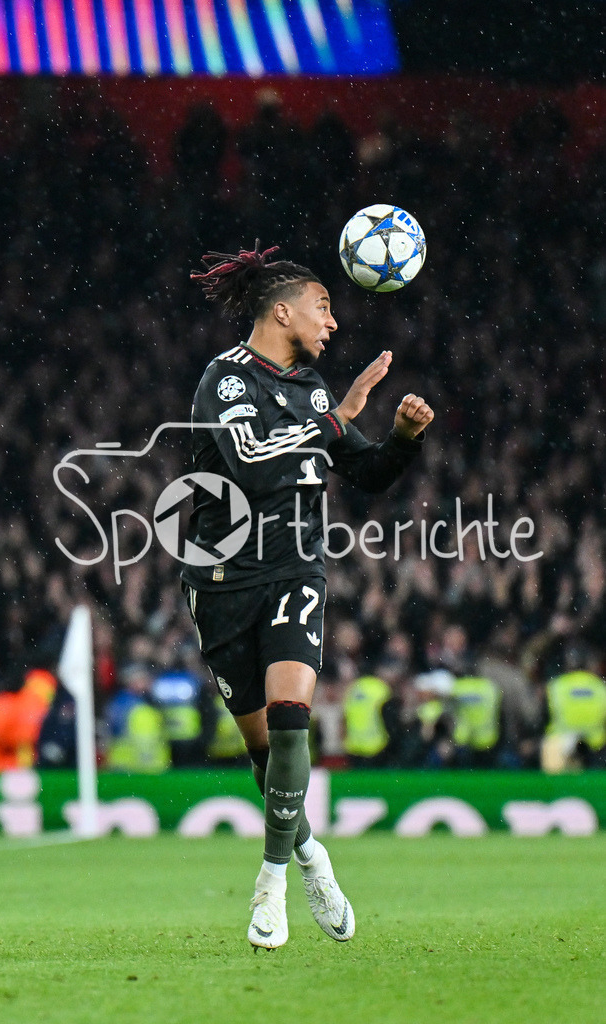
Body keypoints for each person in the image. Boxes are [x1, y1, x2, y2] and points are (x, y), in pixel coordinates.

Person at [181, 242, 433, 949]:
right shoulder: (225, 380)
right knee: (264, 753)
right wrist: (338, 413)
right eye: (325, 306)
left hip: (296, 570)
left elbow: (366, 472)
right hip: (224, 581)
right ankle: (310, 850)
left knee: (295, 721)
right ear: (282, 310)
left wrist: (403, 438)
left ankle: (273, 884)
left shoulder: (317, 389)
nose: (333, 323)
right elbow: (252, 460)